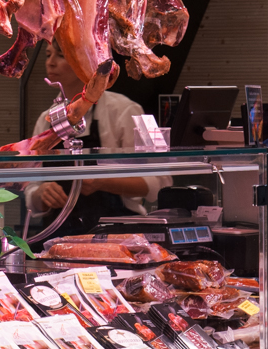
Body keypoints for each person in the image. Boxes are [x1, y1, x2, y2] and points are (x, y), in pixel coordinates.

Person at [23, 46, 170, 240]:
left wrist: (103, 181)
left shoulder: (130, 109)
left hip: (118, 235)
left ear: (84, 61)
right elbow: (30, 188)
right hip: (58, 238)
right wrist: (40, 194)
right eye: (48, 54)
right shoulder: (46, 119)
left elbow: (162, 182)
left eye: (61, 55)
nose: (50, 62)